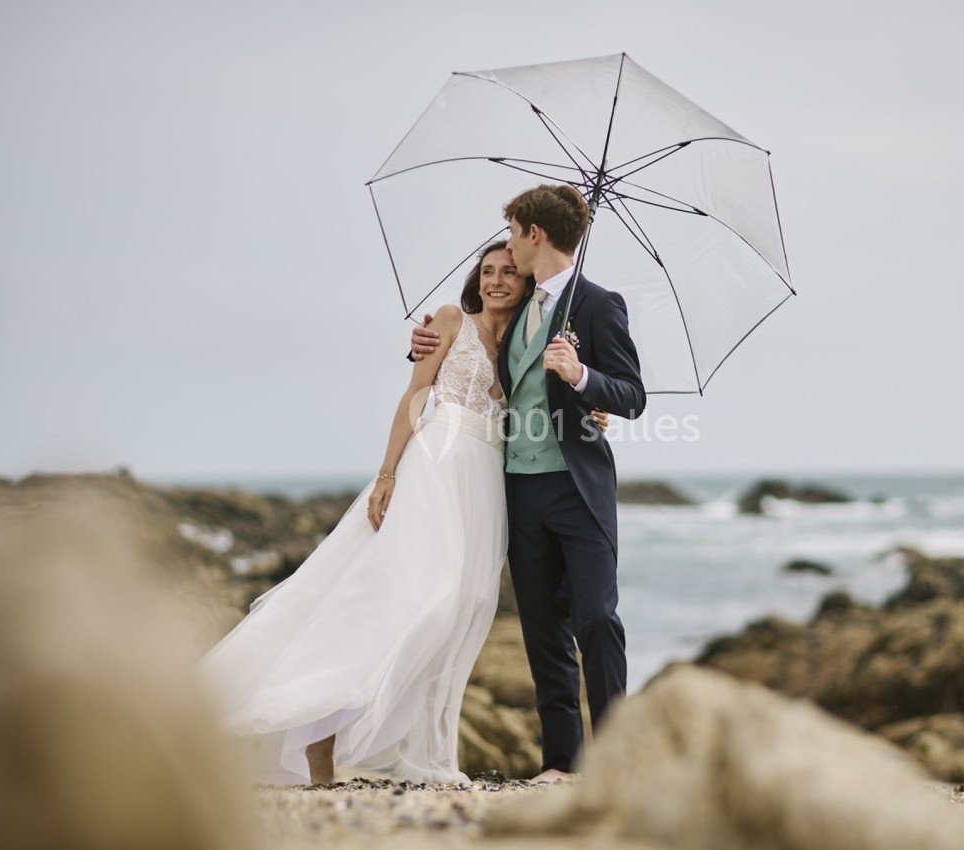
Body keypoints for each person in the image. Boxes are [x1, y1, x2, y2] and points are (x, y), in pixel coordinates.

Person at [199, 241, 530, 785]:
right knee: (407, 600)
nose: (497, 281)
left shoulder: (525, 345)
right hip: (435, 469)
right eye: (488, 271)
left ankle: (433, 756)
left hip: (485, 484)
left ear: (524, 283)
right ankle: (315, 738)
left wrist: (591, 410)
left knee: (462, 611)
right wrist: (387, 474)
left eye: (509, 273)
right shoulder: (449, 320)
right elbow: (413, 397)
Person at [412, 184, 646, 783]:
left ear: (534, 235)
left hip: (577, 488)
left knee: (596, 618)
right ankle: (562, 764)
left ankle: (616, 764)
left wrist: (583, 374)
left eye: (513, 232)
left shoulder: (598, 305)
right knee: (543, 630)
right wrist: (423, 341)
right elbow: (473, 348)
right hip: (517, 488)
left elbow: (633, 396)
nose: (508, 248)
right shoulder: (517, 310)